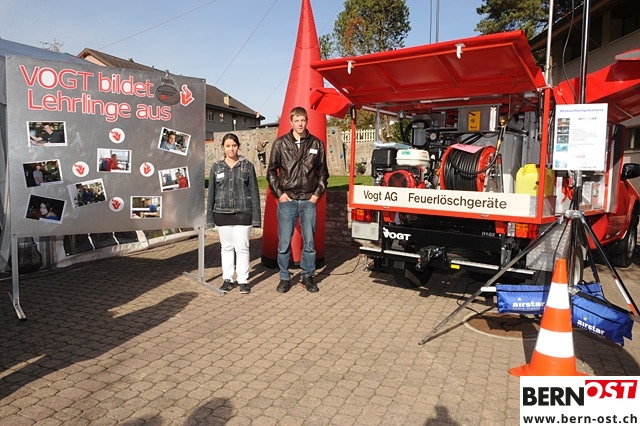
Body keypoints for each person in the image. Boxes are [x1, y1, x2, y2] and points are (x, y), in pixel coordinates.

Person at [267, 106, 329, 294]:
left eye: (303, 120)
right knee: (284, 242)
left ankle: (308, 276)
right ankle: (284, 277)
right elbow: (271, 172)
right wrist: (280, 194)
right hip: (288, 200)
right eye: (297, 120)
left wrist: (316, 194)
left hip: (309, 200)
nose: (300, 124)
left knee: (309, 243)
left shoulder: (317, 144)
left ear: (307, 121)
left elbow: (323, 173)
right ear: (291, 122)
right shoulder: (280, 144)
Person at [207, 133, 261, 294]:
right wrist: (210, 218)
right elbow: (211, 194)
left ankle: (243, 280)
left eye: (234, 145)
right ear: (223, 147)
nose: (231, 149)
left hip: (243, 213)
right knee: (226, 247)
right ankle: (228, 279)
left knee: (242, 247)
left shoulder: (247, 166)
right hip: (222, 213)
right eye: (228, 146)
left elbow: (254, 192)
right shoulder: (216, 167)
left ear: (238, 146)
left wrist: (256, 218)